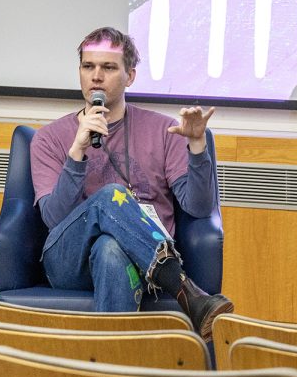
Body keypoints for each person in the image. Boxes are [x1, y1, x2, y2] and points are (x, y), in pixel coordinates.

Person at [30, 27, 233, 339]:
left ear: (130, 76)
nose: (96, 77)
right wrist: (77, 152)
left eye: (108, 68)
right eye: (88, 67)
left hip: (137, 261)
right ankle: (185, 289)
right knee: (112, 196)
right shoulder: (49, 139)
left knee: (111, 249)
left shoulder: (163, 130)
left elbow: (199, 207)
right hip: (70, 262)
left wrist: (195, 146)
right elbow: (55, 219)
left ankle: (112, 375)